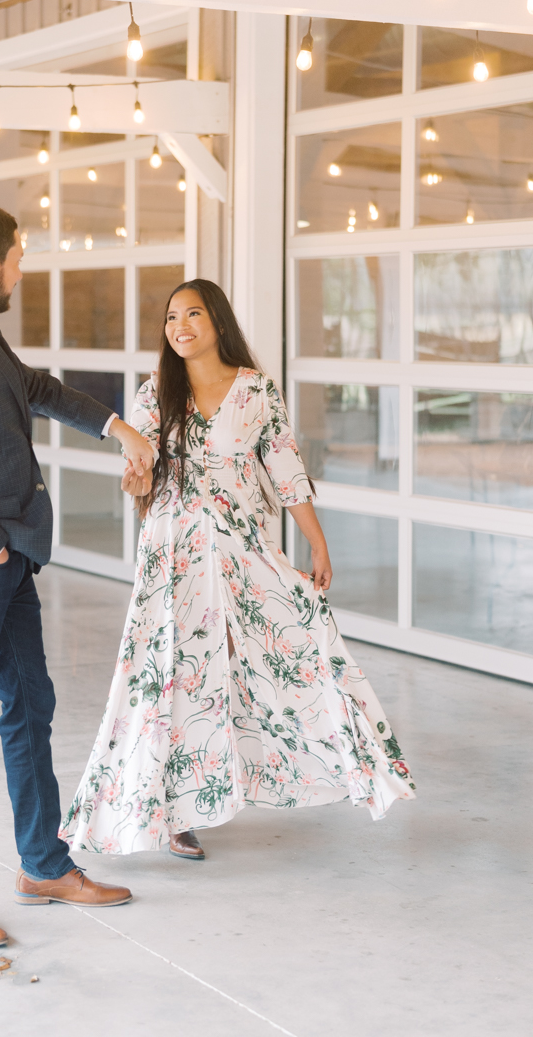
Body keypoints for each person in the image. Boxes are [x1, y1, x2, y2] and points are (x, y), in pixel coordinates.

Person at [61, 279, 415, 861]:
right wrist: (137, 478)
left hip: (242, 548)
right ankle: (170, 813)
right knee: (173, 677)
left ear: (218, 322)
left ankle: (342, 767)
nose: (180, 326)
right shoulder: (155, 396)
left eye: (193, 314)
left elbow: (286, 470)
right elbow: (142, 468)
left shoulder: (256, 392)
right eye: (172, 317)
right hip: (173, 554)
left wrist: (317, 543)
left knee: (294, 646)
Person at [0, 201, 154, 948]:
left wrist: (118, 426)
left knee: (29, 706)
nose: (22, 267)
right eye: (18, 256)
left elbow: (32, 388)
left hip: (7, 567)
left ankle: (43, 862)